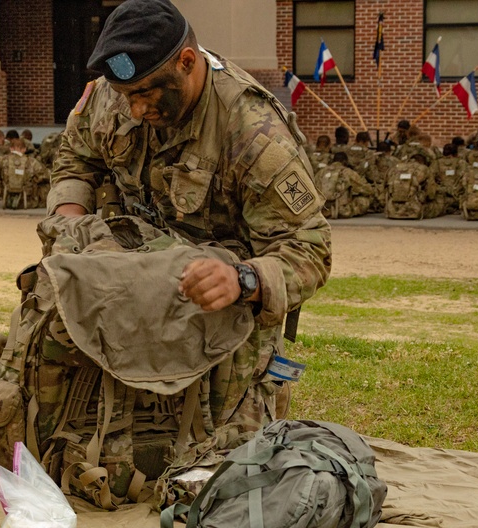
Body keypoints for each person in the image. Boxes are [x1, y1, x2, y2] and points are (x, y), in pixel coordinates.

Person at [48, 0, 331, 432]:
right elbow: (76, 158)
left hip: (217, 310)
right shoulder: (114, 94)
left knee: (222, 464)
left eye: (146, 94)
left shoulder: (252, 131)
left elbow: (311, 248)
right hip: (129, 284)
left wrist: (243, 279)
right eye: (127, 96)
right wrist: (69, 227)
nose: (136, 110)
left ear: (186, 62)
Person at [316, 151, 374, 219]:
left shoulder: (321, 172)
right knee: (364, 201)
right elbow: (366, 189)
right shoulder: (348, 172)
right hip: (341, 210)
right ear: (345, 162)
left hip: (321, 210)